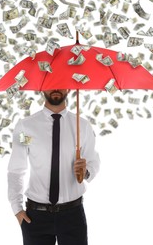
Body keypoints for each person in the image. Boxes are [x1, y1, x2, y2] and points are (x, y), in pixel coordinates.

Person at [7, 89, 100, 245]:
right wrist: (17, 208)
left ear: (69, 88)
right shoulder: (26, 126)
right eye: (51, 84)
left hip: (73, 215)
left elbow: (93, 161)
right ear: (42, 88)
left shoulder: (82, 126)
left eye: (61, 84)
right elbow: (16, 169)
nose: (56, 89)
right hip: (36, 217)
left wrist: (85, 171)